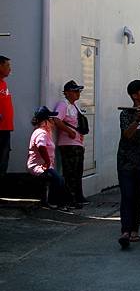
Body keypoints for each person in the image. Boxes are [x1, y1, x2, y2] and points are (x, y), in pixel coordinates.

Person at [116, 80, 140, 249]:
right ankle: (125, 231)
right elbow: (127, 135)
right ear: (135, 95)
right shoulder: (126, 114)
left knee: (138, 197)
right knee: (127, 196)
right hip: (126, 161)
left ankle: (135, 230)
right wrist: (137, 120)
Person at [27, 106, 69, 210]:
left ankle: (59, 203)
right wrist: (47, 161)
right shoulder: (41, 133)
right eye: (51, 120)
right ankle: (53, 202)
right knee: (58, 179)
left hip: (45, 166)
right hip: (38, 166)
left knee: (60, 179)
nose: (53, 122)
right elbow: (41, 147)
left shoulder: (46, 132)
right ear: (45, 121)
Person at [54, 80, 87, 208]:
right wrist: (69, 131)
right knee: (70, 173)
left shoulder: (75, 106)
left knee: (77, 172)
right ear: (67, 93)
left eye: (78, 91)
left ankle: (77, 197)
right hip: (68, 144)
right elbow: (57, 120)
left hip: (77, 144)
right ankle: (69, 199)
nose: (78, 94)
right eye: (75, 91)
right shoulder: (63, 105)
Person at [0, 56, 14, 178]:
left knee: (3, 160)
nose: (10, 69)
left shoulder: (3, 84)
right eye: (7, 65)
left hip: (5, 128)